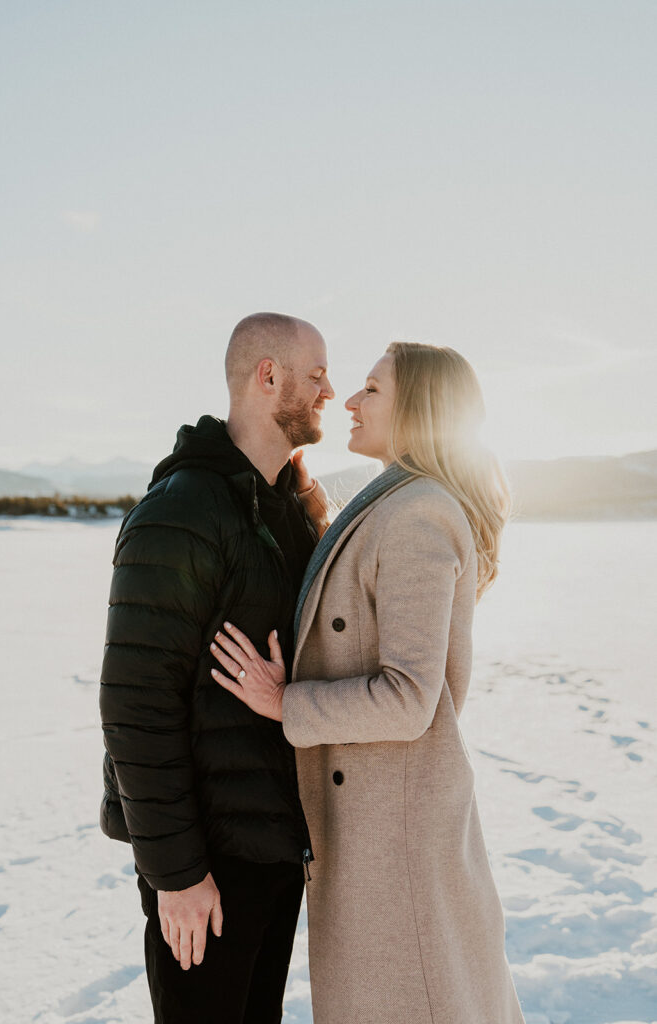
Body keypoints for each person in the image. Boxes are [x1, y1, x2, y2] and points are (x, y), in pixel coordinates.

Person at [211, 342, 526, 1023]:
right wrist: (316, 520)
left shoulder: (418, 513)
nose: (349, 401)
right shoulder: (395, 502)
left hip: (396, 838)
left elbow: (410, 698)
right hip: (376, 824)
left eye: (373, 390)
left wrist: (282, 702)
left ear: (419, 410)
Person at [99, 312, 334, 1024]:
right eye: (316, 374)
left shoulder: (286, 509)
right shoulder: (184, 511)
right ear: (268, 376)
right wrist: (177, 875)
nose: (330, 391)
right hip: (208, 863)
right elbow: (136, 705)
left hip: (272, 848)